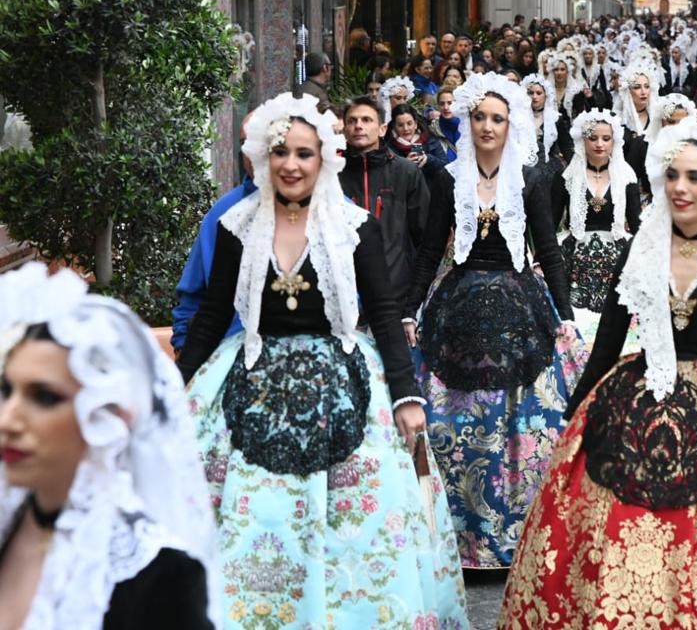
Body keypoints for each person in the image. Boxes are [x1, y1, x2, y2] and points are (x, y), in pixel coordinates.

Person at [176, 93, 467, 626]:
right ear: (265, 157)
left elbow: (383, 313)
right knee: (258, 514)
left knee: (350, 524)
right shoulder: (237, 226)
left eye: (304, 154)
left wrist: (405, 395)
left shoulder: (355, 227)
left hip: (345, 382)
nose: (291, 164)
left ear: (324, 159)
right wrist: (173, 385)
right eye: (281, 152)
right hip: (250, 380)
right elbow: (213, 316)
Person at [500, 120, 697, 628]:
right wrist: (576, 414)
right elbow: (609, 340)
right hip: (638, 392)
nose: (681, 187)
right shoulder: (641, 252)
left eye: (695, 177)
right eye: (673, 175)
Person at [401, 74, 580, 570]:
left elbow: (547, 249)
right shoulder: (446, 176)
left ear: (510, 124)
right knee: (454, 421)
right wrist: (410, 309)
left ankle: (518, 532)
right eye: (479, 117)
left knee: (523, 420)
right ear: (468, 121)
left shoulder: (532, 178)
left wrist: (564, 315)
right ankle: (459, 539)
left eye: (496, 118)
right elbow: (430, 249)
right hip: (457, 303)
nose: (486, 126)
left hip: (519, 304)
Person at [0, 262, 221, 629]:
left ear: (109, 416)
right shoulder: (10, 524)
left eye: (44, 397)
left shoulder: (159, 576)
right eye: (6, 392)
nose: (8, 421)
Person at [173, 112, 258, 351]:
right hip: (230, 355)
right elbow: (194, 296)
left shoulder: (335, 211)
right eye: (244, 143)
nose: (251, 151)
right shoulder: (224, 214)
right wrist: (182, 348)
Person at [553, 109, 641, 319]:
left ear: (614, 141)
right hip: (575, 257)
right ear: (582, 140)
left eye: (606, 138)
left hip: (616, 255)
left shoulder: (626, 175)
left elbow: (636, 223)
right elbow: (551, 221)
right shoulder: (567, 176)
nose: (599, 144)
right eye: (593, 138)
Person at [340, 95, 430, 298]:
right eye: (352, 121)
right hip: (345, 292)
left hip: (396, 289)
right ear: (344, 129)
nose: (358, 126)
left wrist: (416, 294)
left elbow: (423, 235)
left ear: (382, 128)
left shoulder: (406, 172)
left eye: (366, 120)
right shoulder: (332, 175)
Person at [428, 86, 461, 162]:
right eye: (442, 104)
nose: (446, 107)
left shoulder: (468, 126)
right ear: (438, 106)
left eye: (450, 103)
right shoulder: (434, 128)